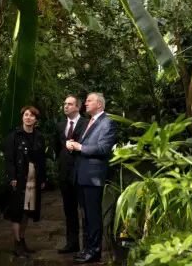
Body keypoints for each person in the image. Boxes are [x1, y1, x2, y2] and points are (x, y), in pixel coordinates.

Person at [66, 93, 116, 264]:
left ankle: (94, 252)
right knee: (86, 216)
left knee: (93, 216)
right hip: (82, 176)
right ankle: (87, 249)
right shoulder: (91, 122)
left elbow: (103, 148)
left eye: (89, 101)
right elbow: (86, 146)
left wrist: (80, 146)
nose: (85, 104)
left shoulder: (107, 123)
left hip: (93, 177)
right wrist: (74, 145)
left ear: (99, 104)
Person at [4, 106, 46, 258]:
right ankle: (16, 244)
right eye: (26, 115)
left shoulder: (39, 136)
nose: (28, 118)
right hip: (19, 177)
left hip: (33, 177)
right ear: (22, 117)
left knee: (27, 211)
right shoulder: (14, 135)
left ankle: (22, 240)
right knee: (17, 212)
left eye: (32, 116)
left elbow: (42, 159)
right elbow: (9, 159)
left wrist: (43, 178)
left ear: (36, 119)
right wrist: (12, 178)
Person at [55, 95, 88, 254]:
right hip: (64, 175)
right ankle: (72, 244)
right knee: (69, 210)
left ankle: (87, 246)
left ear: (78, 107)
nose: (66, 106)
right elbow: (56, 149)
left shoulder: (87, 124)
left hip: (81, 173)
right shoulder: (60, 126)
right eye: (65, 103)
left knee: (84, 211)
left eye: (69, 104)